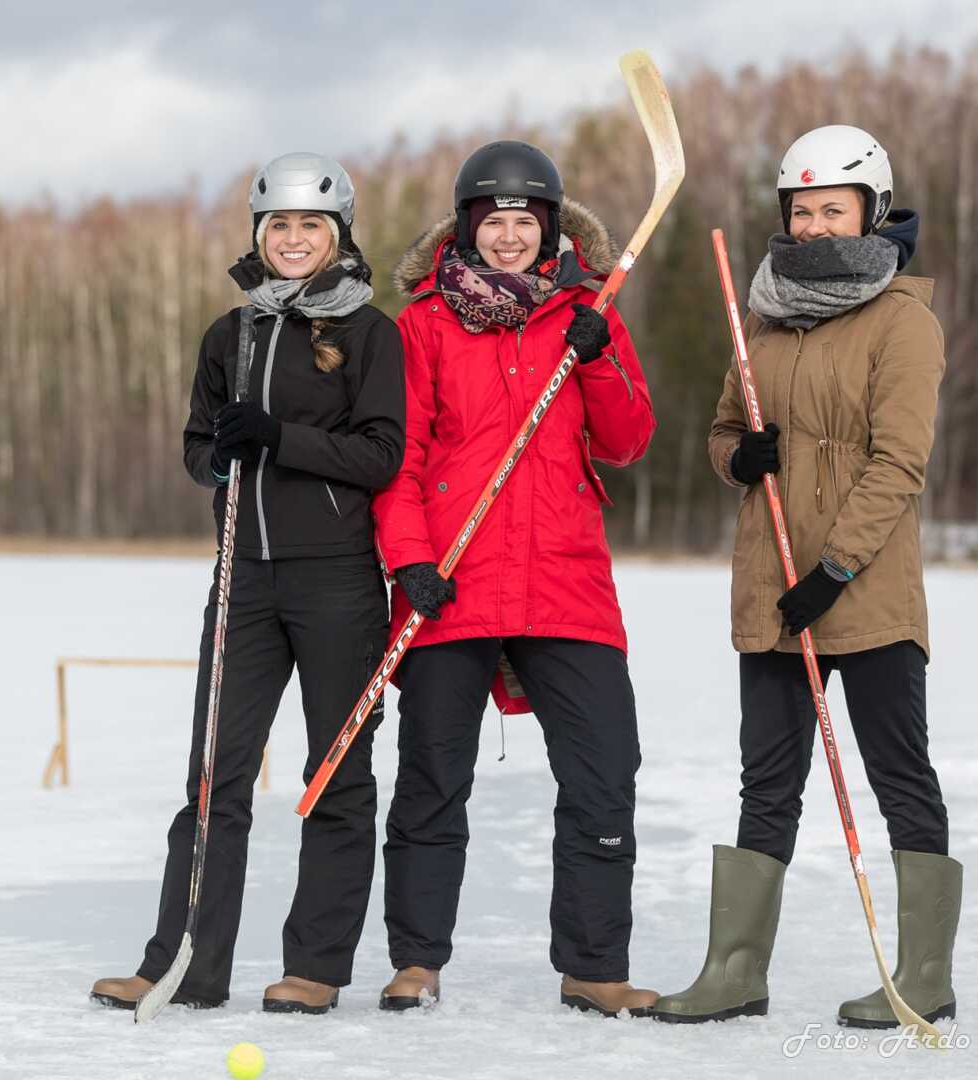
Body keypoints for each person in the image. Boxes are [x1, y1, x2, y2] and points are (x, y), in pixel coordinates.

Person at [652, 125, 959, 1028]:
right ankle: (736, 971)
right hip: (770, 585)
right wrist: (739, 460)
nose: (817, 225)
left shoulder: (905, 318)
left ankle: (926, 976)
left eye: (834, 208)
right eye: (802, 210)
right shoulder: (764, 314)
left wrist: (833, 570)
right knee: (767, 780)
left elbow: (901, 464)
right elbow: (718, 429)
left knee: (901, 772)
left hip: (865, 586)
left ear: (872, 210)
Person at [90, 152, 405, 1015]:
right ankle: (185, 960)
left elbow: (383, 456)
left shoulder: (372, 333)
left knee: (335, 774)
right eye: (279, 226)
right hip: (243, 582)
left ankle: (315, 966)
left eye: (311, 225)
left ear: (339, 235)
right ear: (258, 237)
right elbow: (198, 447)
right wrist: (217, 456)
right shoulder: (229, 334)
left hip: (338, 581)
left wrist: (279, 437)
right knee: (212, 777)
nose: (294, 239)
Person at [371, 140, 659, 1016]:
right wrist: (411, 561)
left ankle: (593, 966)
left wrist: (599, 353)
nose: (507, 237)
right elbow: (402, 459)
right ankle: (417, 961)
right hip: (451, 580)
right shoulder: (423, 323)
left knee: (606, 773)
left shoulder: (589, 311)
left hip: (565, 582)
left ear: (550, 227)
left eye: (523, 221)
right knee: (431, 776)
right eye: (491, 221)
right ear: (466, 228)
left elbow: (627, 440)